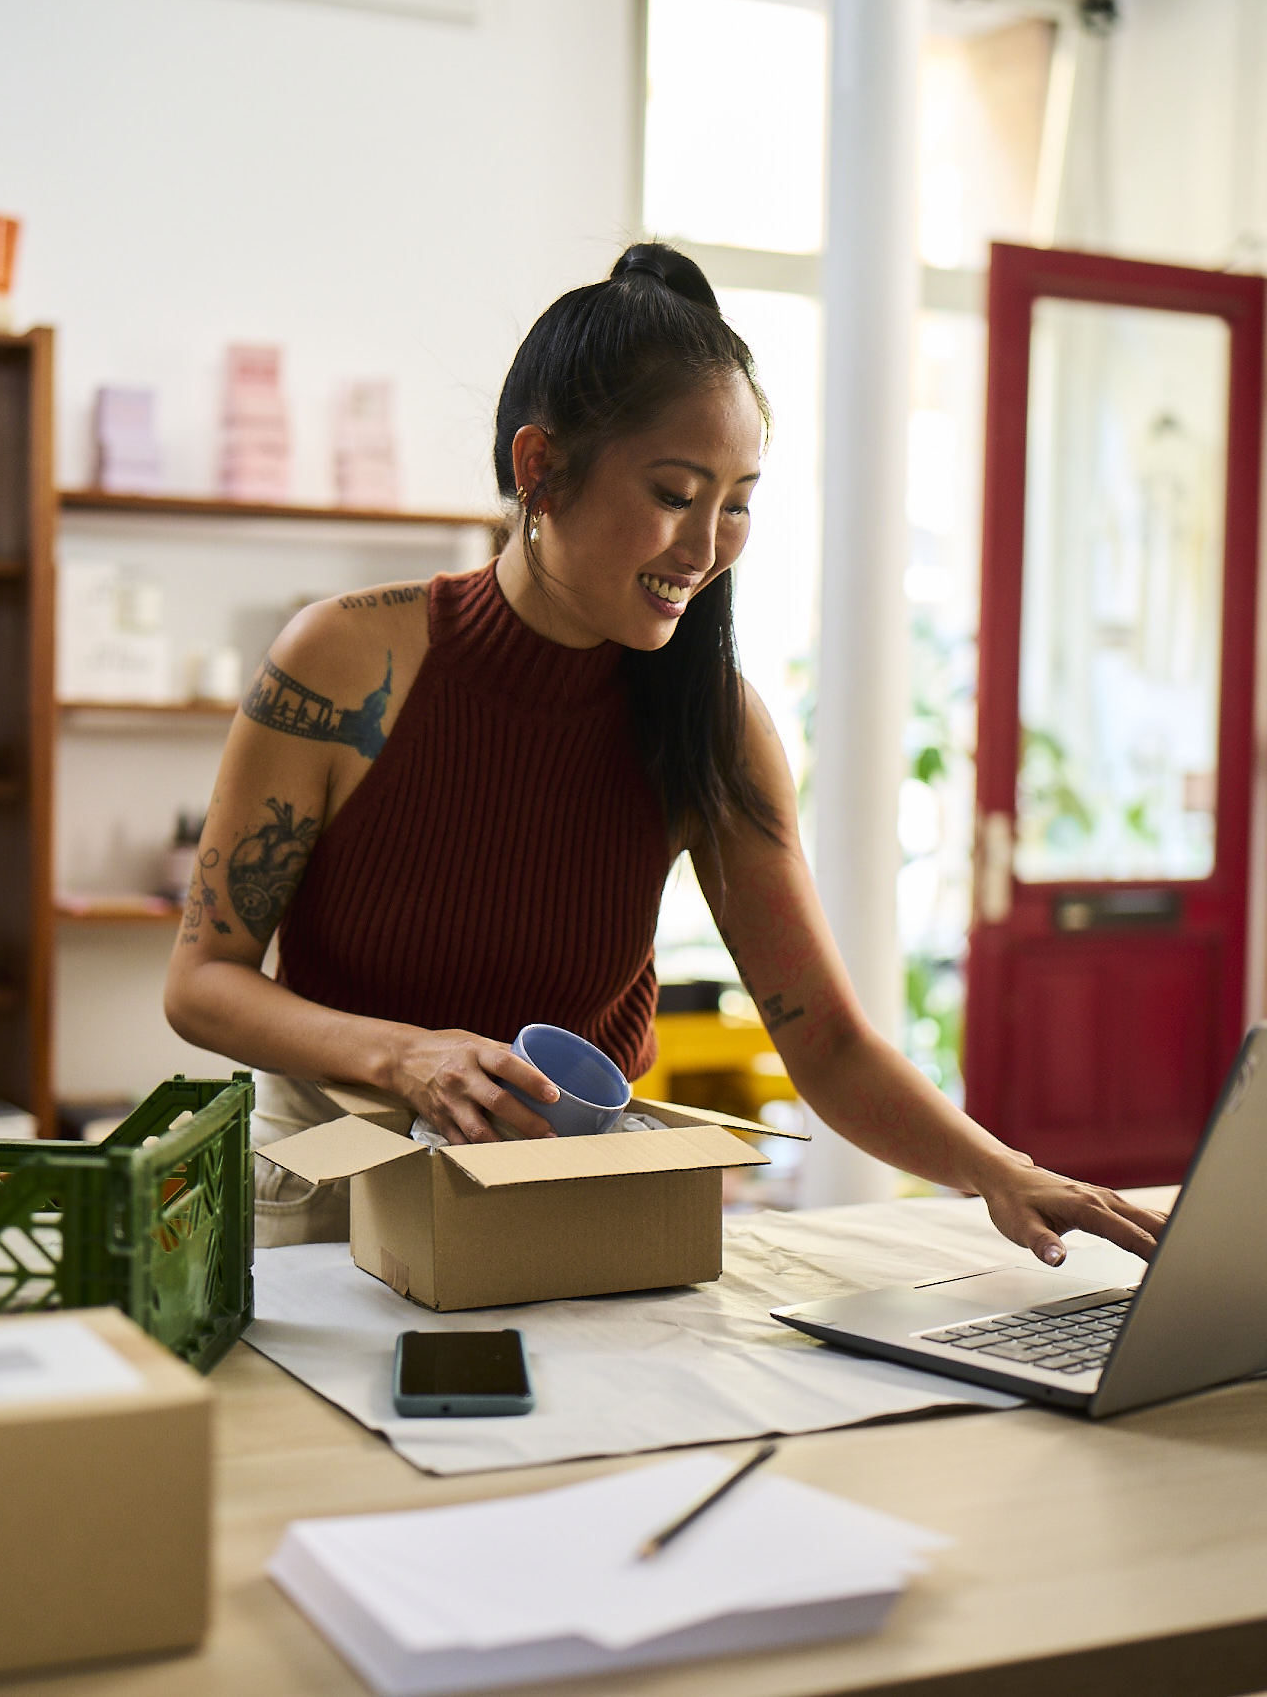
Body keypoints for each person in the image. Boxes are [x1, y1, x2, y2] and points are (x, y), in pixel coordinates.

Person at [164, 242, 1166, 1266]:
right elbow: (204, 982)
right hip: (335, 1179)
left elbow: (822, 1040)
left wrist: (1005, 1171)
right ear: (538, 469)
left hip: (566, 1195)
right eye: (676, 493)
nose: (706, 548)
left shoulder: (714, 725)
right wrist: (407, 1056)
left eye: (735, 502)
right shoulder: (345, 659)